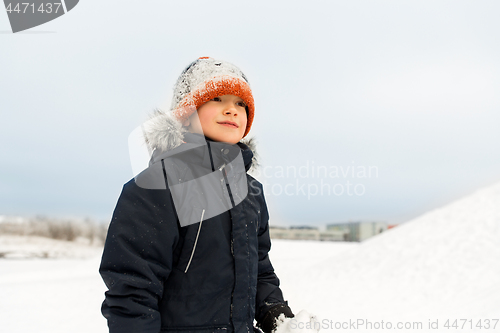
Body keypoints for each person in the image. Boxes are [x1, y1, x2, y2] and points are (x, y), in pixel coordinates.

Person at [99, 57, 295, 333]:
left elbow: (260, 269)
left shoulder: (251, 192)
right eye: (217, 98)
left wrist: (278, 316)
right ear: (186, 114)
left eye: (241, 103)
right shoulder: (156, 186)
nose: (232, 110)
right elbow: (132, 291)